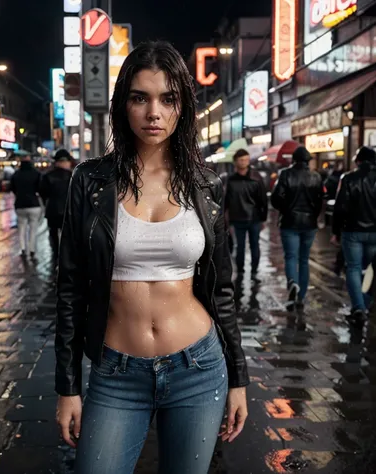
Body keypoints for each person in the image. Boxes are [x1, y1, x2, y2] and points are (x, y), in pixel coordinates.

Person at [55, 41, 249, 474]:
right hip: (116, 371)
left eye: (167, 99)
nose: (153, 113)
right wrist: (67, 387)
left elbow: (222, 291)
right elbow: (69, 289)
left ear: (183, 106)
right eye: (140, 98)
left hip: (198, 366)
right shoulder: (90, 181)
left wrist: (239, 378)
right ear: (124, 105)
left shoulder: (207, 185)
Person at [271, 146, 325, 310]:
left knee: (291, 257)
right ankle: (301, 297)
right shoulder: (316, 176)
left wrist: (286, 209)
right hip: (309, 224)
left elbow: (275, 199)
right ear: (308, 161)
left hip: (290, 223)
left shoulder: (286, 174)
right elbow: (319, 202)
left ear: (293, 160)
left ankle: (293, 282)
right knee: (304, 260)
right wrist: (313, 216)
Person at [332, 146, 376, 326]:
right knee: (370, 270)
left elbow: (340, 207)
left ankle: (358, 307)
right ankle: (365, 303)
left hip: (352, 231)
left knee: (354, 268)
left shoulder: (348, 178)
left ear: (358, 161)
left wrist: (335, 231)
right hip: (374, 232)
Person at [224, 148, 268, 280]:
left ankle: (254, 271)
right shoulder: (230, 180)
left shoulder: (256, 178)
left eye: (246, 160)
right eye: (241, 160)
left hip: (254, 219)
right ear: (235, 162)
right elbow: (226, 201)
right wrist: (225, 219)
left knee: (255, 245)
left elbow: (263, 200)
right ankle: (241, 272)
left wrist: (263, 219)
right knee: (240, 246)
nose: (244, 162)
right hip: (237, 218)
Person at [39, 149, 72, 261]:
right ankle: (65, 257)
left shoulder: (48, 176)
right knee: (67, 235)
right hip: (69, 211)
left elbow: (43, 193)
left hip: (52, 209)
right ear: (66, 162)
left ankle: (56, 255)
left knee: (53, 234)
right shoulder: (73, 176)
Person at [10, 155, 43, 260]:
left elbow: (13, 188)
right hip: (34, 204)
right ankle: (32, 250)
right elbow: (40, 188)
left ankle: (23, 249)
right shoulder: (36, 174)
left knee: (21, 228)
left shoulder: (16, 174)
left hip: (20, 204)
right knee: (33, 229)